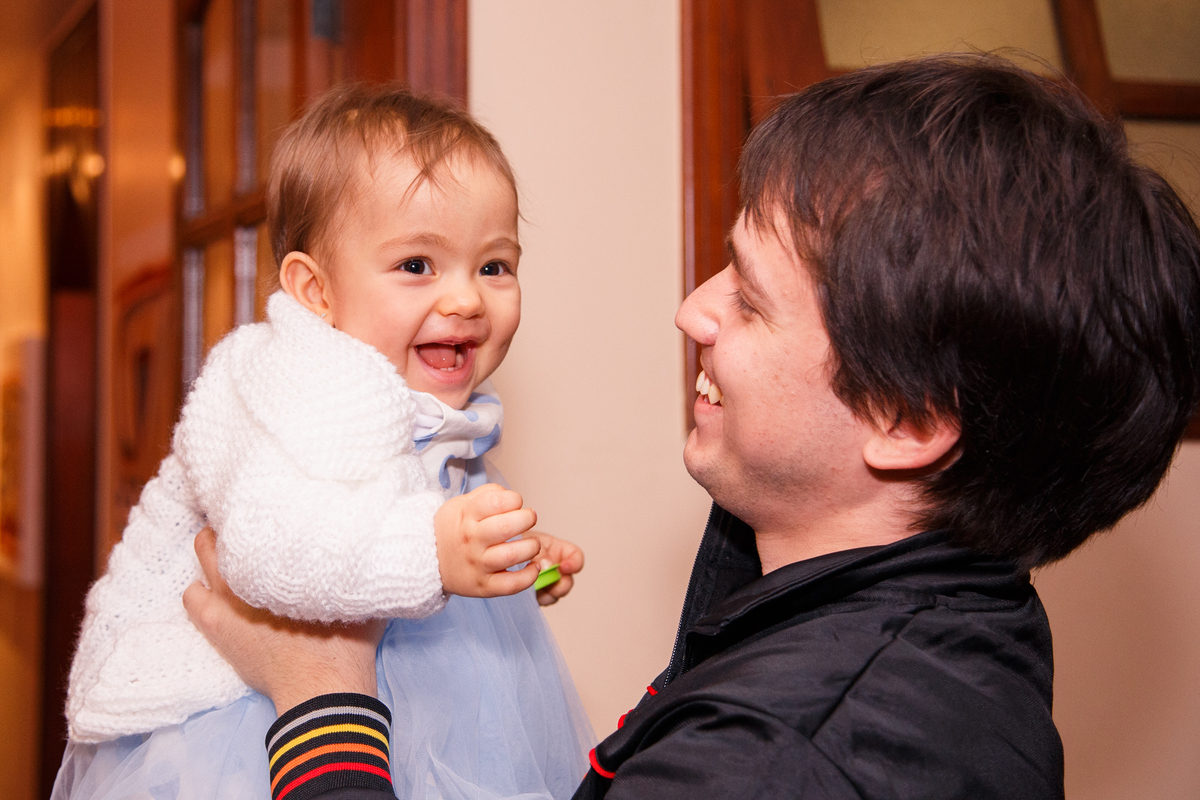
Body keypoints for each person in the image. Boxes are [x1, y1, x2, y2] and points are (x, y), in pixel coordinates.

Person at [185, 54, 1200, 799]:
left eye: (751, 300)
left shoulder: (779, 758)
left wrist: (320, 696)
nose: (693, 310)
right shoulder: (926, 600)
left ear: (905, 416)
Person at [52, 85, 593, 800]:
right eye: (417, 266)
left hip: (404, 695)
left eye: (493, 266)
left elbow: (404, 505)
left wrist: (501, 547)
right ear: (314, 290)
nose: (466, 299)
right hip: (242, 720)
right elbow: (267, 547)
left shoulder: (427, 405)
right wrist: (436, 549)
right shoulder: (278, 381)